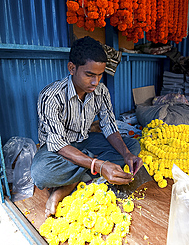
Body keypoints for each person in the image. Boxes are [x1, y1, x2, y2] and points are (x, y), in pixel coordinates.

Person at [31, 36, 142, 218]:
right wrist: (98, 164)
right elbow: (58, 144)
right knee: (41, 173)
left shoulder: (101, 92)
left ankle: (70, 182)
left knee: (132, 147)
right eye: (89, 74)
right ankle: (89, 173)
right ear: (72, 68)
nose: (95, 82)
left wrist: (126, 154)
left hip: (85, 141)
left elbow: (109, 126)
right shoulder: (50, 96)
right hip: (57, 150)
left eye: (100, 75)